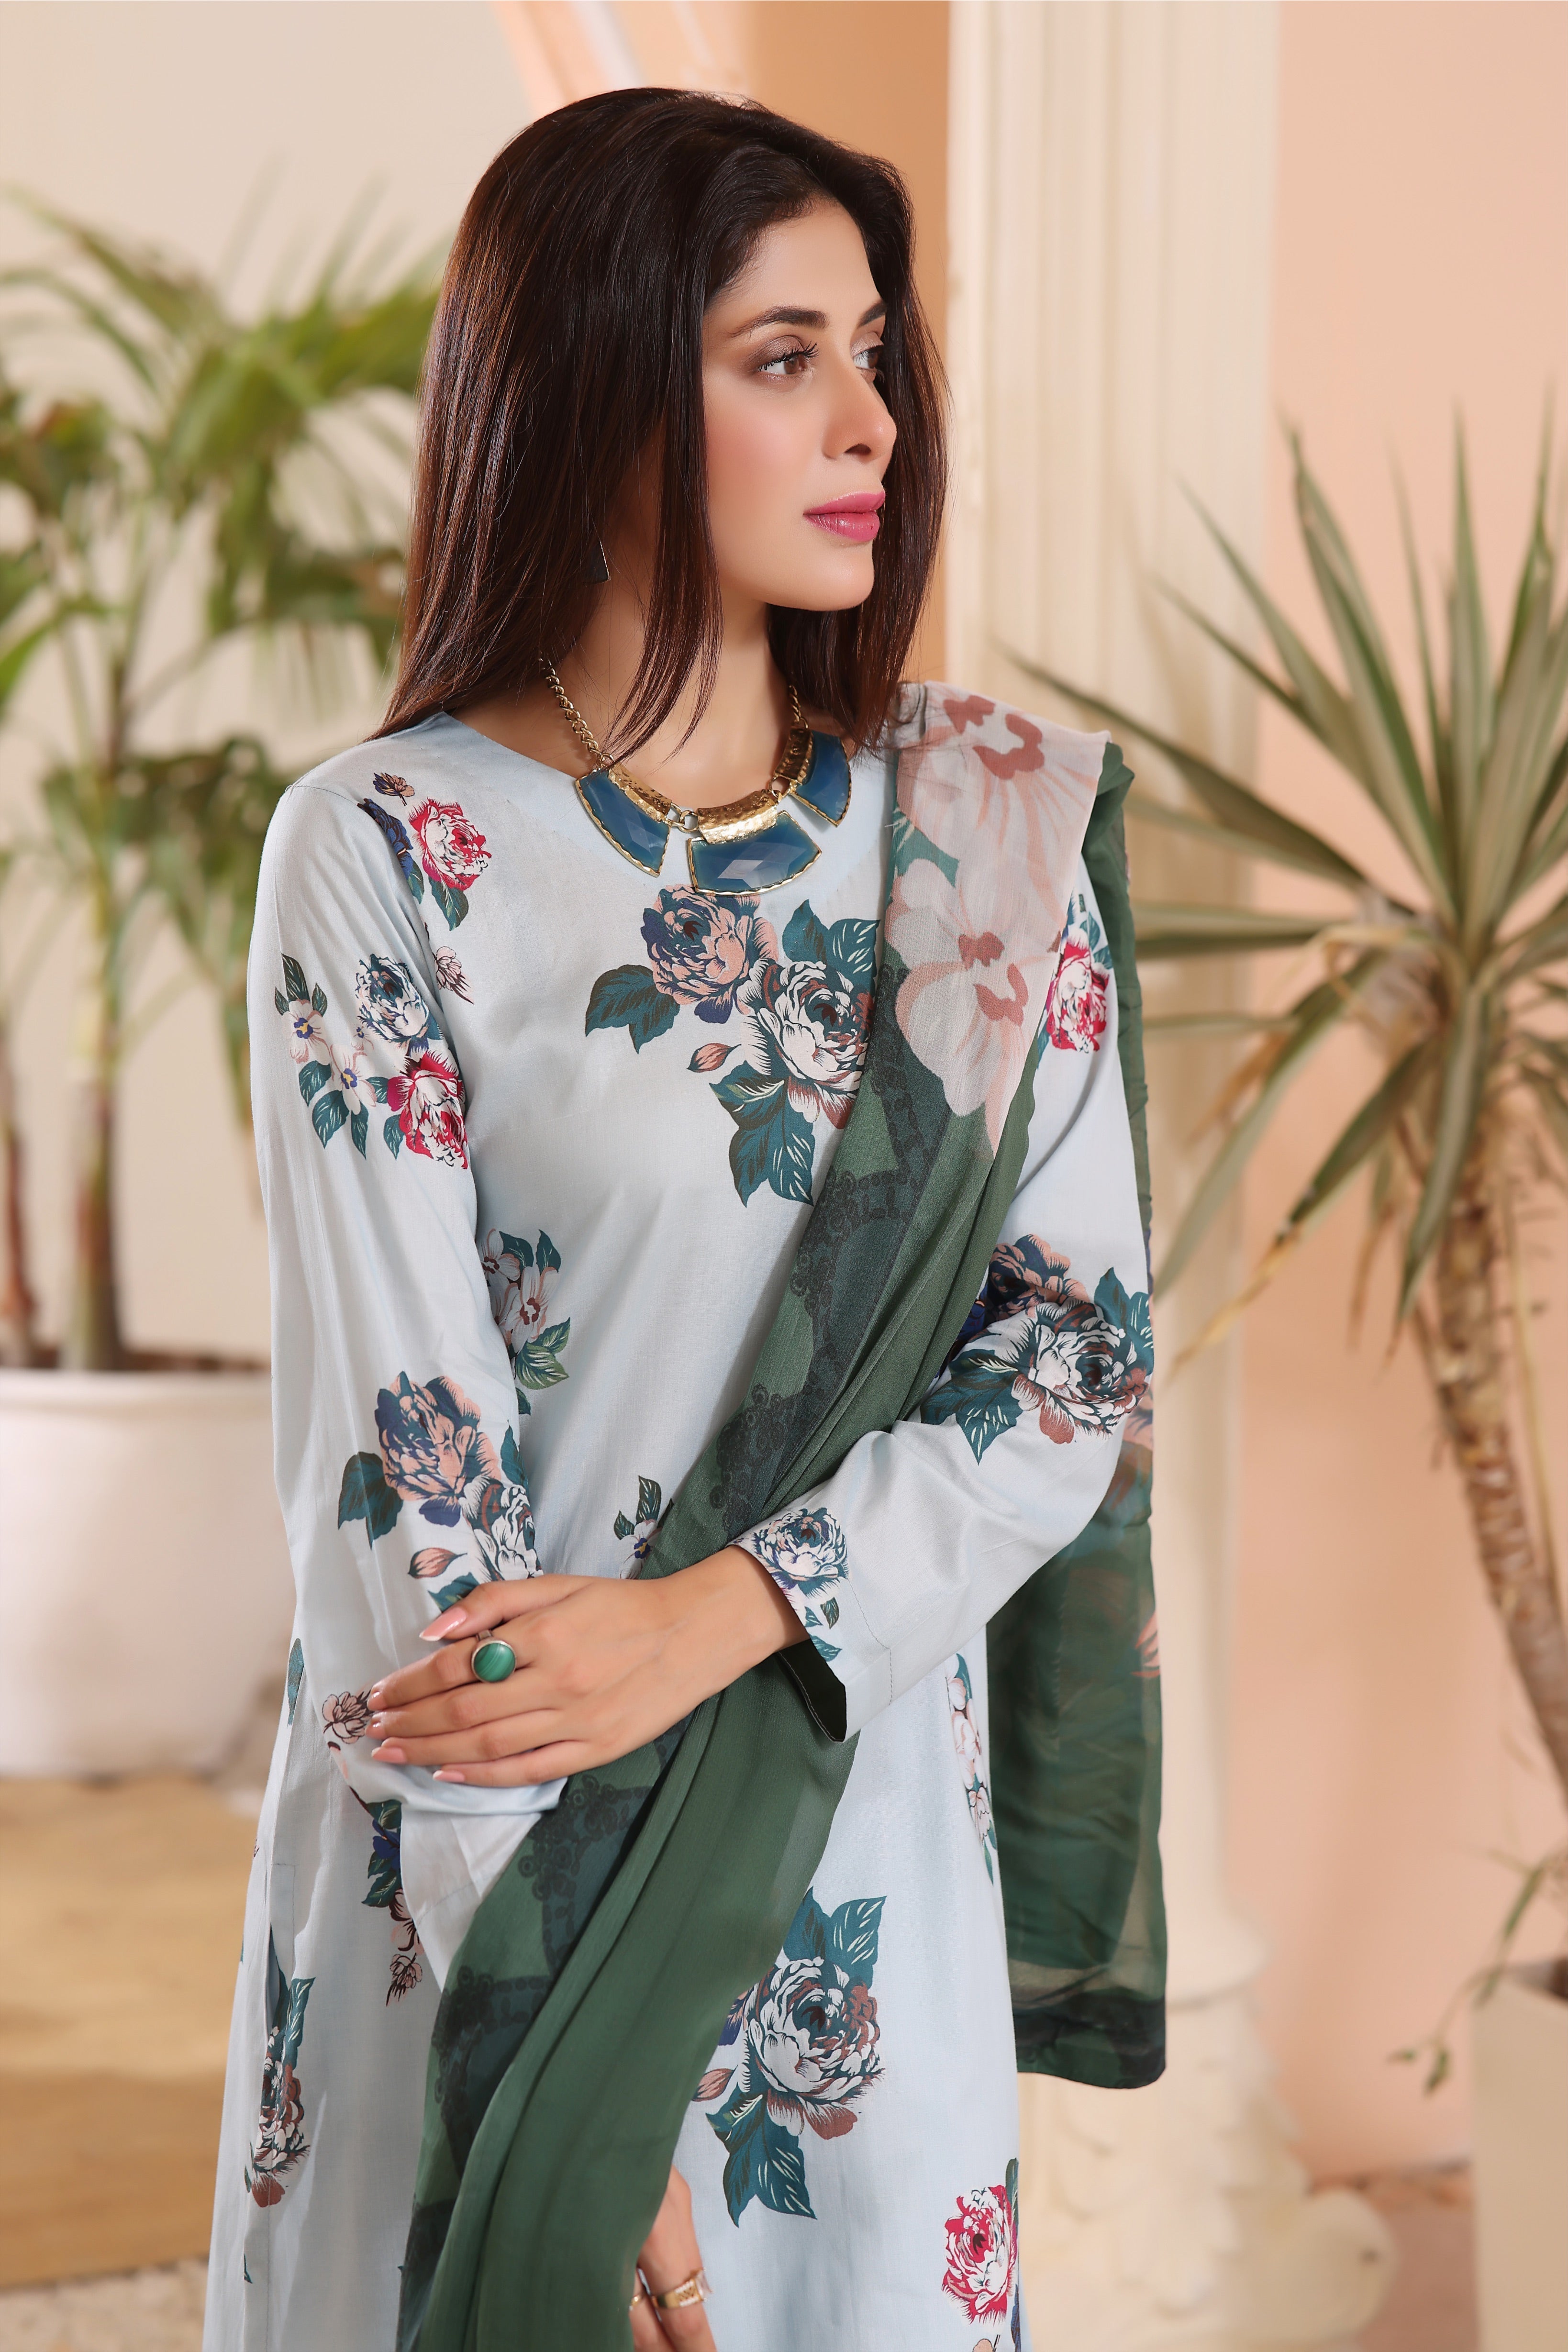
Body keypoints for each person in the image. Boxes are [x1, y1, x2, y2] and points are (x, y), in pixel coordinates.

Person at [205, 88, 1163, 2352]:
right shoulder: (389, 850)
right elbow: (401, 1497)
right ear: (603, 393)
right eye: (780, 358)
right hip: (477, 1874)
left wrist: (720, 1611)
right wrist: (570, 2073)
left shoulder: (983, 845)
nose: (872, 422)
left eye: (873, 351)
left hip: (842, 1857)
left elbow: (1070, 1362)